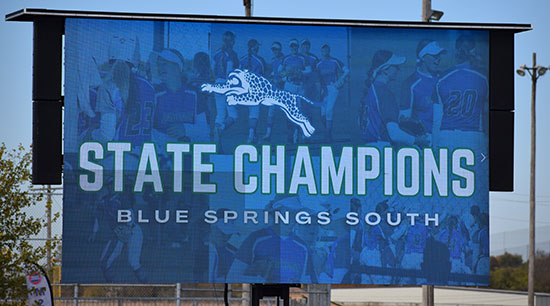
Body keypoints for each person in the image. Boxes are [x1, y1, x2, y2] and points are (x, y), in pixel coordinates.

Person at [359, 50, 429, 148]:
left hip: (368, 148)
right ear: (385, 69)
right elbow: (395, 135)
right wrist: (417, 140)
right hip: (382, 148)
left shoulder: (370, 90)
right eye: (395, 66)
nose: (398, 69)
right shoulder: (384, 93)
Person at [400, 39, 446, 144]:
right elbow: (404, 120)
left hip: (445, 136)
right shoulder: (410, 84)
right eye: (434, 55)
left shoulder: (444, 78)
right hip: (425, 140)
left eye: (439, 55)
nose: (438, 59)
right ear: (423, 57)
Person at [279, 38, 312, 143]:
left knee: (300, 110)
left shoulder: (302, 58)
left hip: (299, 85)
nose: (294, 48)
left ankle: (299, 133)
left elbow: (309, 70)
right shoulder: (286, 58)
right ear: (290, 47)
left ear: (298, 47)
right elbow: (280, 71)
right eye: (292, 46)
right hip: (289, 85)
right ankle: (290, 133)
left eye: (295, 46)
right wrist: (286, 77)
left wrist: (300, 72)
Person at [212, 31, 240, 144]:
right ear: (232, 41)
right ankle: (221, 128)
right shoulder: (231, 53)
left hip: (217, 83)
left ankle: (216, 139)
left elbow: (213, 70)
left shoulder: (217, 53)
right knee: (234, 115)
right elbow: (229, 70)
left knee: (220, 114)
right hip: (227, 84)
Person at [316, 44, 349, 140]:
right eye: (323, 50)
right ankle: (328, 130)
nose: (325, 52)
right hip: (323, 88)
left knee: (329, 110)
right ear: (321, 51)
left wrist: (341, 79)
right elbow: (316, 76)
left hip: (333, 87)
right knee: (322, 114)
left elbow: (347, 70)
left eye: (327, 50)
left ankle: (328, 134)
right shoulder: (318, 64)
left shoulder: (334, 61)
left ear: (329, 51)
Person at [239, 39, 267, 143]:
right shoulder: (260, 60)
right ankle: (251, 136)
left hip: (245, 90)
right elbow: (264, 76)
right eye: (257, 46)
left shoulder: (242, 59)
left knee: (250, 113)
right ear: (255, 47)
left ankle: (253, 135)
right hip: (256, 90)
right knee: (254, 114)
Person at [261, 41, 285, 141]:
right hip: (275, 88)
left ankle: (295, 135)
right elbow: (273, 72)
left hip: (285, 88)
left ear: (280, 50)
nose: (275, 51)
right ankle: (268, 133)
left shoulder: (284, 59)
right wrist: (271, 78)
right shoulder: (273, 60)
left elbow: (286, 74)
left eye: (276, 49)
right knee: (271, 111)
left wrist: (280, 80)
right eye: (273, 49)